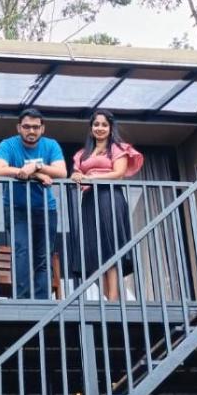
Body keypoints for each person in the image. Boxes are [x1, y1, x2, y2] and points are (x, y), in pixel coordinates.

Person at [0, 108, 67, 299]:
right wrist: (34, 175)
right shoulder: (8, 145)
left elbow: (62, 172)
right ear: (19, 128)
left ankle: (42, 302)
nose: (31, 131)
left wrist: (36, 166)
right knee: (22, 252)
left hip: (46, 209)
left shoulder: (51, 145)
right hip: (17, 209)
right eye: (26, 127)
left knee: (43, 257)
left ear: (42, 129)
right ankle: (22, 300)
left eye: (35, 127)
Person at [69, 109, 143, 301]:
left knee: (110, 245)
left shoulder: (117, 148)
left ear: (110, 128)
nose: (100, 128)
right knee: (93, 249)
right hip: (89, 200)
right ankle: (112, 299)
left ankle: (112, 298)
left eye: (104, 125)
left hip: (109, 197)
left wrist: (91, 177)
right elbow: (76, 174)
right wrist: (76, 175)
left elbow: (118, 174)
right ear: (91, 128)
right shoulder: (83, 153)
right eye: (96, 124)